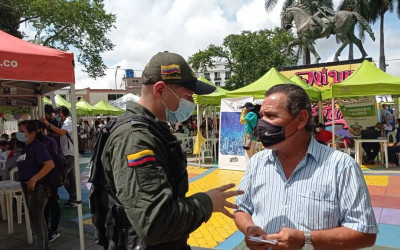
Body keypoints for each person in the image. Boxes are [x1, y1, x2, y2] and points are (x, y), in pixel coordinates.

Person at [101, 51, 243, 249]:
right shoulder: (135, 139)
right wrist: (206, 202)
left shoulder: (150, 131)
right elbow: (155, 223)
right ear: (160, 90)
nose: (191, 104)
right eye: (187, 96)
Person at [234, 84, 377, 249]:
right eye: (262, 116)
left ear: (301, 119)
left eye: (271, 116)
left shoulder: (341, 166)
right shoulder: (257, 162)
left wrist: (306, 239)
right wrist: (249, 229)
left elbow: (365, 233)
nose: (262, 124)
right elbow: (241, 209)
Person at [16, 120, 55, 250]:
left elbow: (49, 164)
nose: (19, 134)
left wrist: (34, 178)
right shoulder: (26, 147)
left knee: (36, 225)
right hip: (29, 187)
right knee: (39, 221)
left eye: (22, 132)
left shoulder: (37, 146)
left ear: (32, 133)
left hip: (38, 189)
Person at [41, 106, 77, 207]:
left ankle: (74, 198)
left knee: (63, 176)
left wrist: (48, 125)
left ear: (61, 113)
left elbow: (61, 132)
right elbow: (60, 136)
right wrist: (50, 133)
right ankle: (73, 198)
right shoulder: (63, 123)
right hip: (67, 153)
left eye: (57, 113)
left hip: (69, 153)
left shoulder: (68, 121)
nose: (55, 115)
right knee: (70, 177)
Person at [35, 120, 62, 242]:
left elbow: (52, 162)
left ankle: (53, 230)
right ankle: (45, 230)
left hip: (50, 178)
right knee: (44, 206)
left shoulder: (49, 142)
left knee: (52, 204)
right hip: (40, 180)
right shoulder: (31, 144)